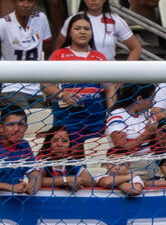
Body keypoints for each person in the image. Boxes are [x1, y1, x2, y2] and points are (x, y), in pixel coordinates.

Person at [42, 13, 114, 146]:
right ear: (69, 32)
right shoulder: (59, 54)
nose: (82, 32)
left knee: (94, 154)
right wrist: (62, 94)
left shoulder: (99, 57)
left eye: (86, 29)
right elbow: (44, 85)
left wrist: (112, 117)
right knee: (68, 154)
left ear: (92, 33)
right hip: (68, 115)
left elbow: (110, 89)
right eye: (77, 28)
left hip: (96, 117)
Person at [56, 0, 142, 61]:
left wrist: (125, 73)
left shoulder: (115, 20)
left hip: (108, 73)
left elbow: (136, 48)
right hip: (78, 73)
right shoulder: (73, 20)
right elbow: (58, 47)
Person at [37, 125, 94, 191]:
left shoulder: (71, 162)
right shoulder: (40, 161)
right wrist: (66, 180)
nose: (59, 144)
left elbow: (92, 182)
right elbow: (35, 180)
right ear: (48, 143)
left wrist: (74, 180)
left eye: (64, 141)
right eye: (55, 140)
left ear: (70, 144)